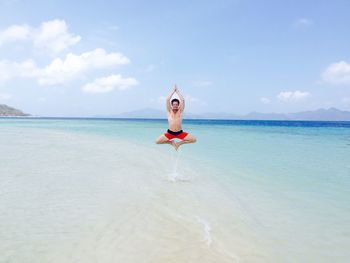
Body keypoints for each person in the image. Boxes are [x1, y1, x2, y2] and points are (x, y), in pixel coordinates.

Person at [155, 85, 196, 150]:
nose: (175, 106)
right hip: (170, 133)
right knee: (157, 141)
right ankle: (171, 143)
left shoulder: (180, 111)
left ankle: (179, 143)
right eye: (174, 104)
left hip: (180, 133)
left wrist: (177, 91)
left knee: (193, 140)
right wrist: (173, 91)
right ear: (171, 105)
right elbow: (167, 99)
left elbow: (182, 100)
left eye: (176, 104)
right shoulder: (169, 111)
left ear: (178, 105)